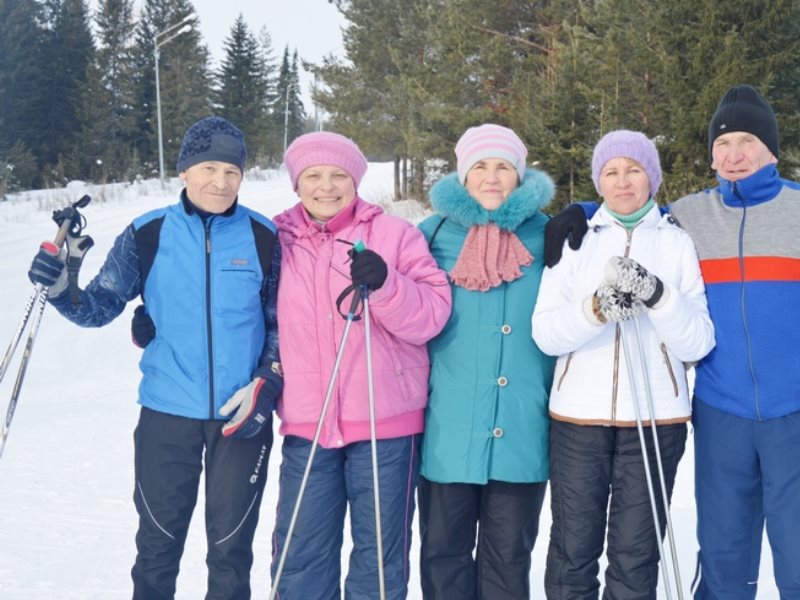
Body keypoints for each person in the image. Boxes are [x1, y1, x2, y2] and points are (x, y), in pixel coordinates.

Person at [544, 84, 800, 599]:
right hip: (721, 407)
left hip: (793, 407)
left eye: (747, 141)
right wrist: (580, 207)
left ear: (770, 149)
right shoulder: (690, 217)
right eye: (723, 145)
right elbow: (628, 209)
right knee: (725, 552)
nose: (734, 155)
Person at [28, 116, 281, 600]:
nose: (220, 182)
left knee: (231, 553)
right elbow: (99, 306)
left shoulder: (264, 237)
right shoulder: (147, 233)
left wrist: (266, 383)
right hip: (167, 414)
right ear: (184, 172)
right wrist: (62, 289)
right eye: (208, 168)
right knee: (157, 551)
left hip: (241, 416)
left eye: (232, 171)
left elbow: (278, 325)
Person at [532, 130, 715, 599]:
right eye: (611, 172)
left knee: (636, 556)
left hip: (655, 420)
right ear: (599, 182)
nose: (623, 182)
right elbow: (546, 333)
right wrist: (595, 308)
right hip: (578, 419)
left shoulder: (677, 242)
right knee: (573, 551)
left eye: (633, 170)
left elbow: (697, 342)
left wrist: (658, 295)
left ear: (651, 177)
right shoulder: (575, 239)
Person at [269, 131, 451, 599]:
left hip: (384, 422)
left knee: (379, 555)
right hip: (308, 421)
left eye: (338, 175)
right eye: (313, 176)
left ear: (355, 181)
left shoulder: (394, 235)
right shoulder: (275, 240)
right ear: (296, 183)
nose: (326, 187)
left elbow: (433, 314)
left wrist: (387, 285)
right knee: (300, 551)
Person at [416, 124, 556, 600]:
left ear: (519, 175)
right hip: (449, 430)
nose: (491, 178)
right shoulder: (431, 234)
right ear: (463, 174)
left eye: (503, 167)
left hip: (521, 429)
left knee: (508, 561)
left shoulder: (549, 232)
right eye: (480, 166)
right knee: (443, 555)